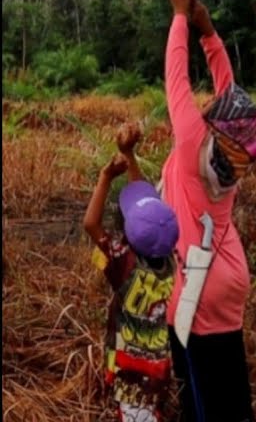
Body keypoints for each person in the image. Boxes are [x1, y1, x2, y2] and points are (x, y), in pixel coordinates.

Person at [163, 0, 256, 422]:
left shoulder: (191, 145)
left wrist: (181, 17)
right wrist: (209, 33)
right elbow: (229, 90)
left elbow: (175, 79)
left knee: (202, 397)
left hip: (195, 287)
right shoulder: (233, 152)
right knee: (230, 389)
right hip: (229, 280)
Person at [84, 122, 179, 422]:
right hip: (159, 364)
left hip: (132, 372)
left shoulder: (123, 266)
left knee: (137, 416)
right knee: (151, 409)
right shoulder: (170, 261)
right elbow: (148, 208)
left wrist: (105, 178)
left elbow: (91, 224)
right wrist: (129, 155)